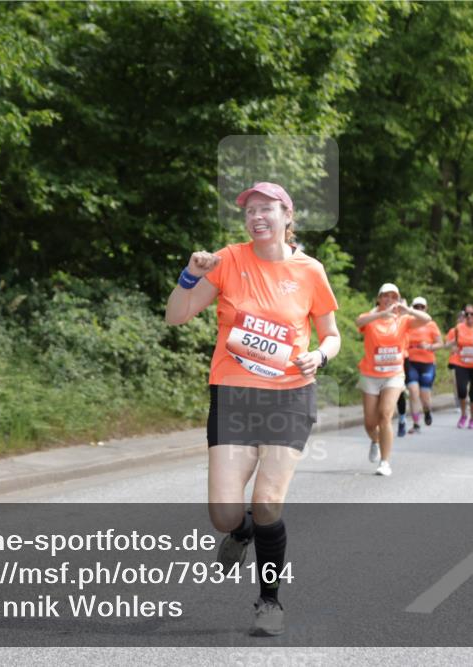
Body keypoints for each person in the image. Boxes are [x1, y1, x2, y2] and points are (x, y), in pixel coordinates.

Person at [164, 181, 340, 637]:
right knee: (224, 513)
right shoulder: (228, 261)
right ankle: (240, 532)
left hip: (289, 394)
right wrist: (188, 274)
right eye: (249, 210)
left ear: (287, 216)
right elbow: (176, 315)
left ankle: (269, 601)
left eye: (266, 208)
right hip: (234, 394)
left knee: (267, 501)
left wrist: (319, 355)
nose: (256, 216)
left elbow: (332, 334)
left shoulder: (310, 271)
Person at [356, 284, 432, 475]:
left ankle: (385, 462)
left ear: (398, 299)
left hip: (393, 375)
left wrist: (408, 309)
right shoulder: (371, 318)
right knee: (369, 423)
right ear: (379, 298)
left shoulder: (404, 320)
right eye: (386, 296)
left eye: (394, 296)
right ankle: (375, 440)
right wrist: (380, 313)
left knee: (385, 415)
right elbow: (359, 322)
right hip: (370, 374)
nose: (390, 299)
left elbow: (427, 319)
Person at [402, 296, 444, 434]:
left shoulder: (431, 324)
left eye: (422, 307)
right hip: (411, 362)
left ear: (426, 309)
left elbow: (441, 344)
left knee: (425, 397)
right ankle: (416, 423)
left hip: (427, 363)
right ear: (412, 308)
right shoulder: (408, 323)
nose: (419, 309)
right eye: (416, 307)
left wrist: (430, 346)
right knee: (413, 392)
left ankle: (427, 411)